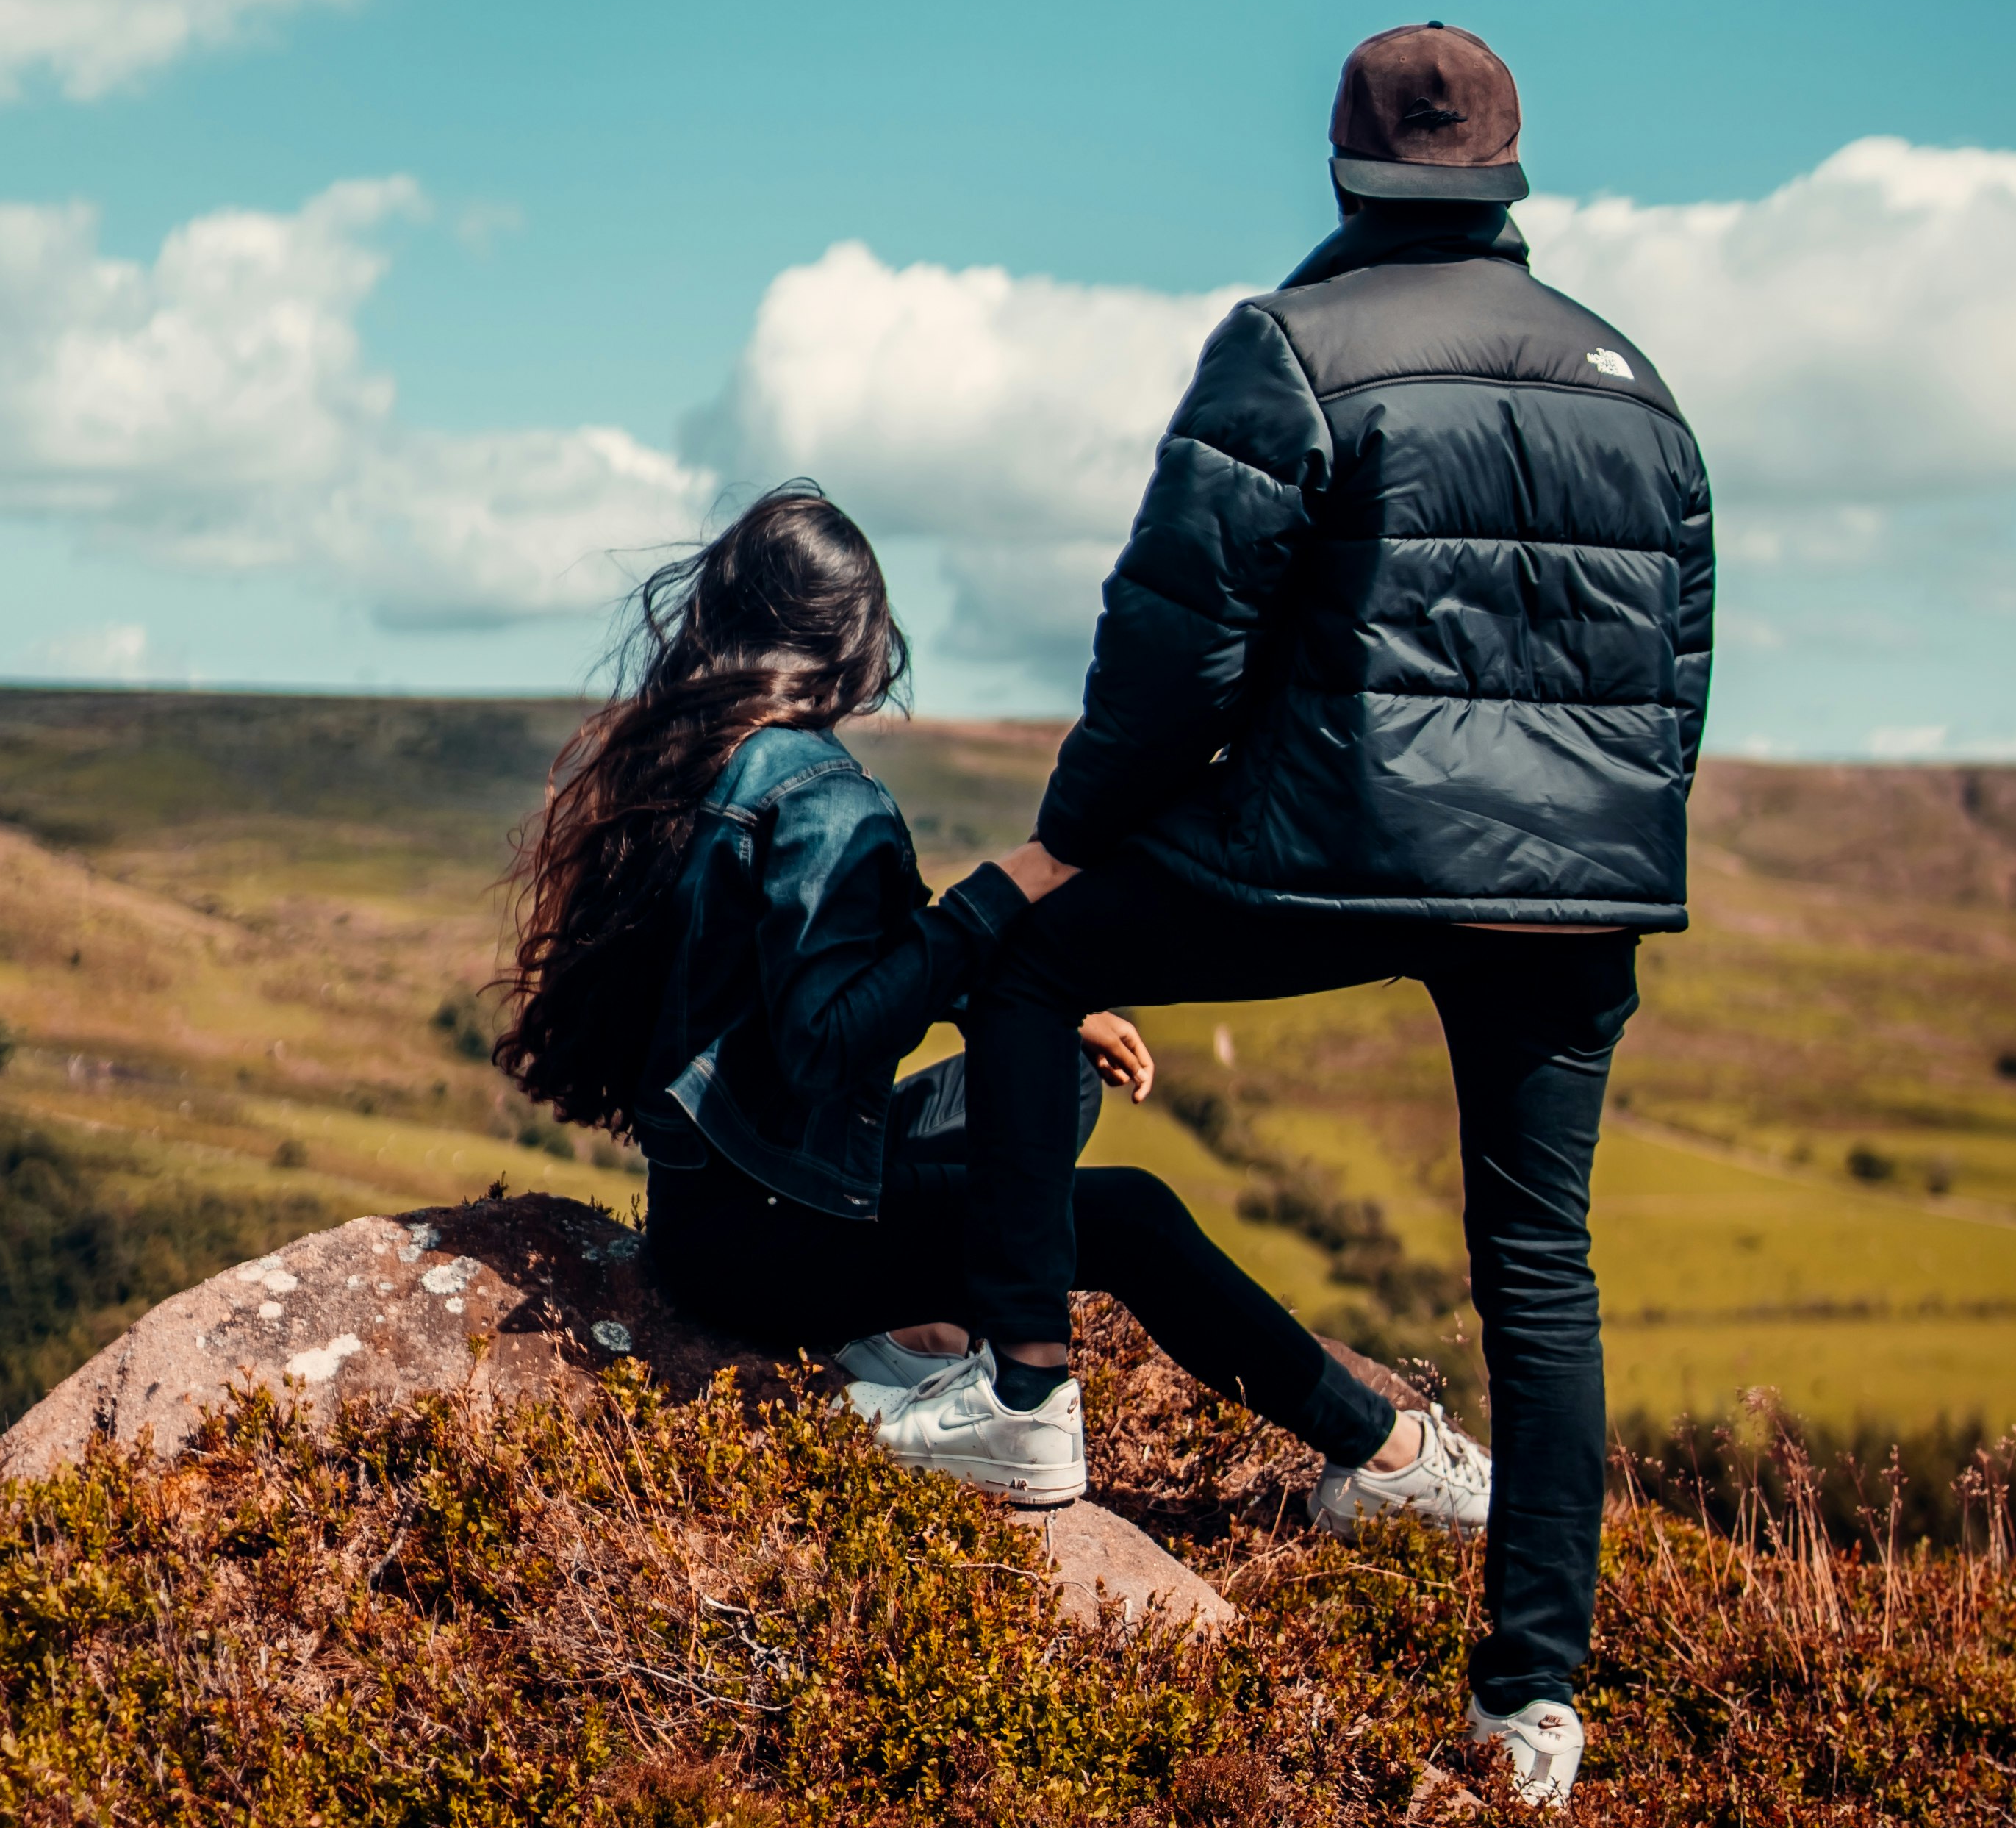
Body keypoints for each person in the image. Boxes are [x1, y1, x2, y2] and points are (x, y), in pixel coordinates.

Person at [955, 24, 1714, 1802]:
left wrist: (1077, 833)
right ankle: (1530, 1707)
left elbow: (1172, 637)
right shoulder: (1639, 386)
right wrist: (1610, 849)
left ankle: (1024, 1406)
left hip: (1328, 840)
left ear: (1339, 167)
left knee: (1029, 959)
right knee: (1542, 1278)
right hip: (1576, 894)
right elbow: (1676, 677)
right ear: (1508, 178)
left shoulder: (1289, 350)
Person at [495, 482, 1457, 1515]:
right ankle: (1386, 1458)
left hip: (723, 1208)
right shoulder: (818, 790)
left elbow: (839, 953)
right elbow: (826, 1040)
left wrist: (1045, 1001)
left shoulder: (696, 766)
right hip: (772, 1241)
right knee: (1131, 1215)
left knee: (1049, 1088)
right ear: (857, 643)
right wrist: (1018, 882)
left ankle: (912, 1337)